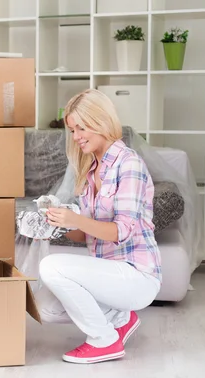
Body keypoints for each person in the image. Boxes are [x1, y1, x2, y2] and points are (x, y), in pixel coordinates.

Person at [38, 88, 162, 364]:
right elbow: (85, 234)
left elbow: (122, 231)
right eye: (72, 130)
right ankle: (120, 318)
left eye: (82, 127)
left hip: (136, 275)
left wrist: (75, 218)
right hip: (110, 274)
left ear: (102, 121)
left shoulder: (129, 164)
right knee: (46, 309)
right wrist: (55, 225)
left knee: (51, 267)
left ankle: (104, 341)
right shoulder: (90, 169)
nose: (77, 136)